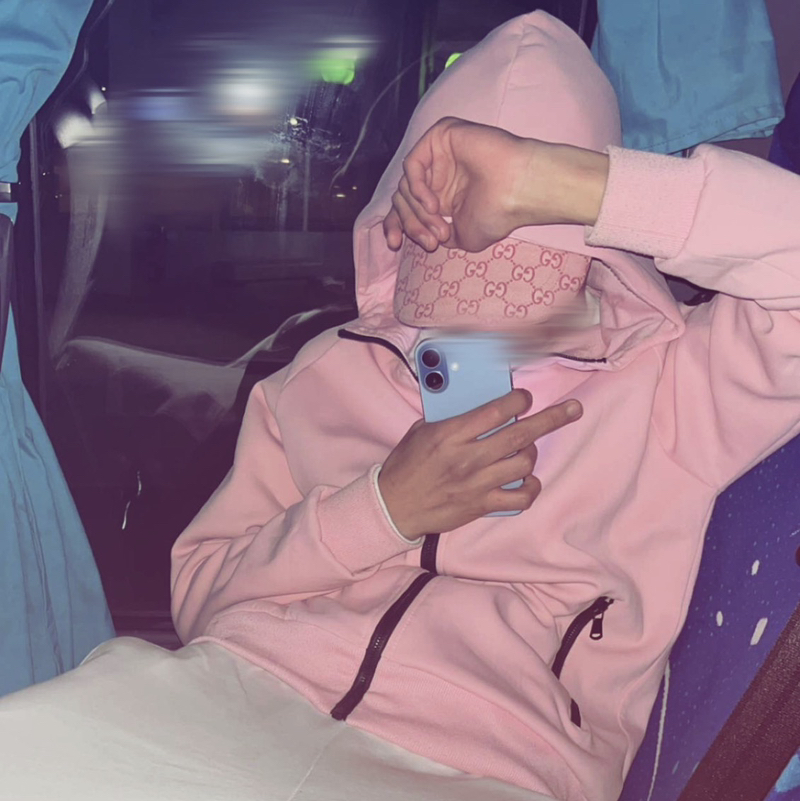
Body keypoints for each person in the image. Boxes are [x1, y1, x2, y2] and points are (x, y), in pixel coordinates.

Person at [1, 10, 799, 801]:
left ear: (595, 251)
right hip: (232, 690)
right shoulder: (323, 371)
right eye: (448, 281)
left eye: (520, 283)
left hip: (494, 762)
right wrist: (382, 509)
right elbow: (201, 587)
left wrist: (564, 183)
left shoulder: (671, 384)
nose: (476, 327)